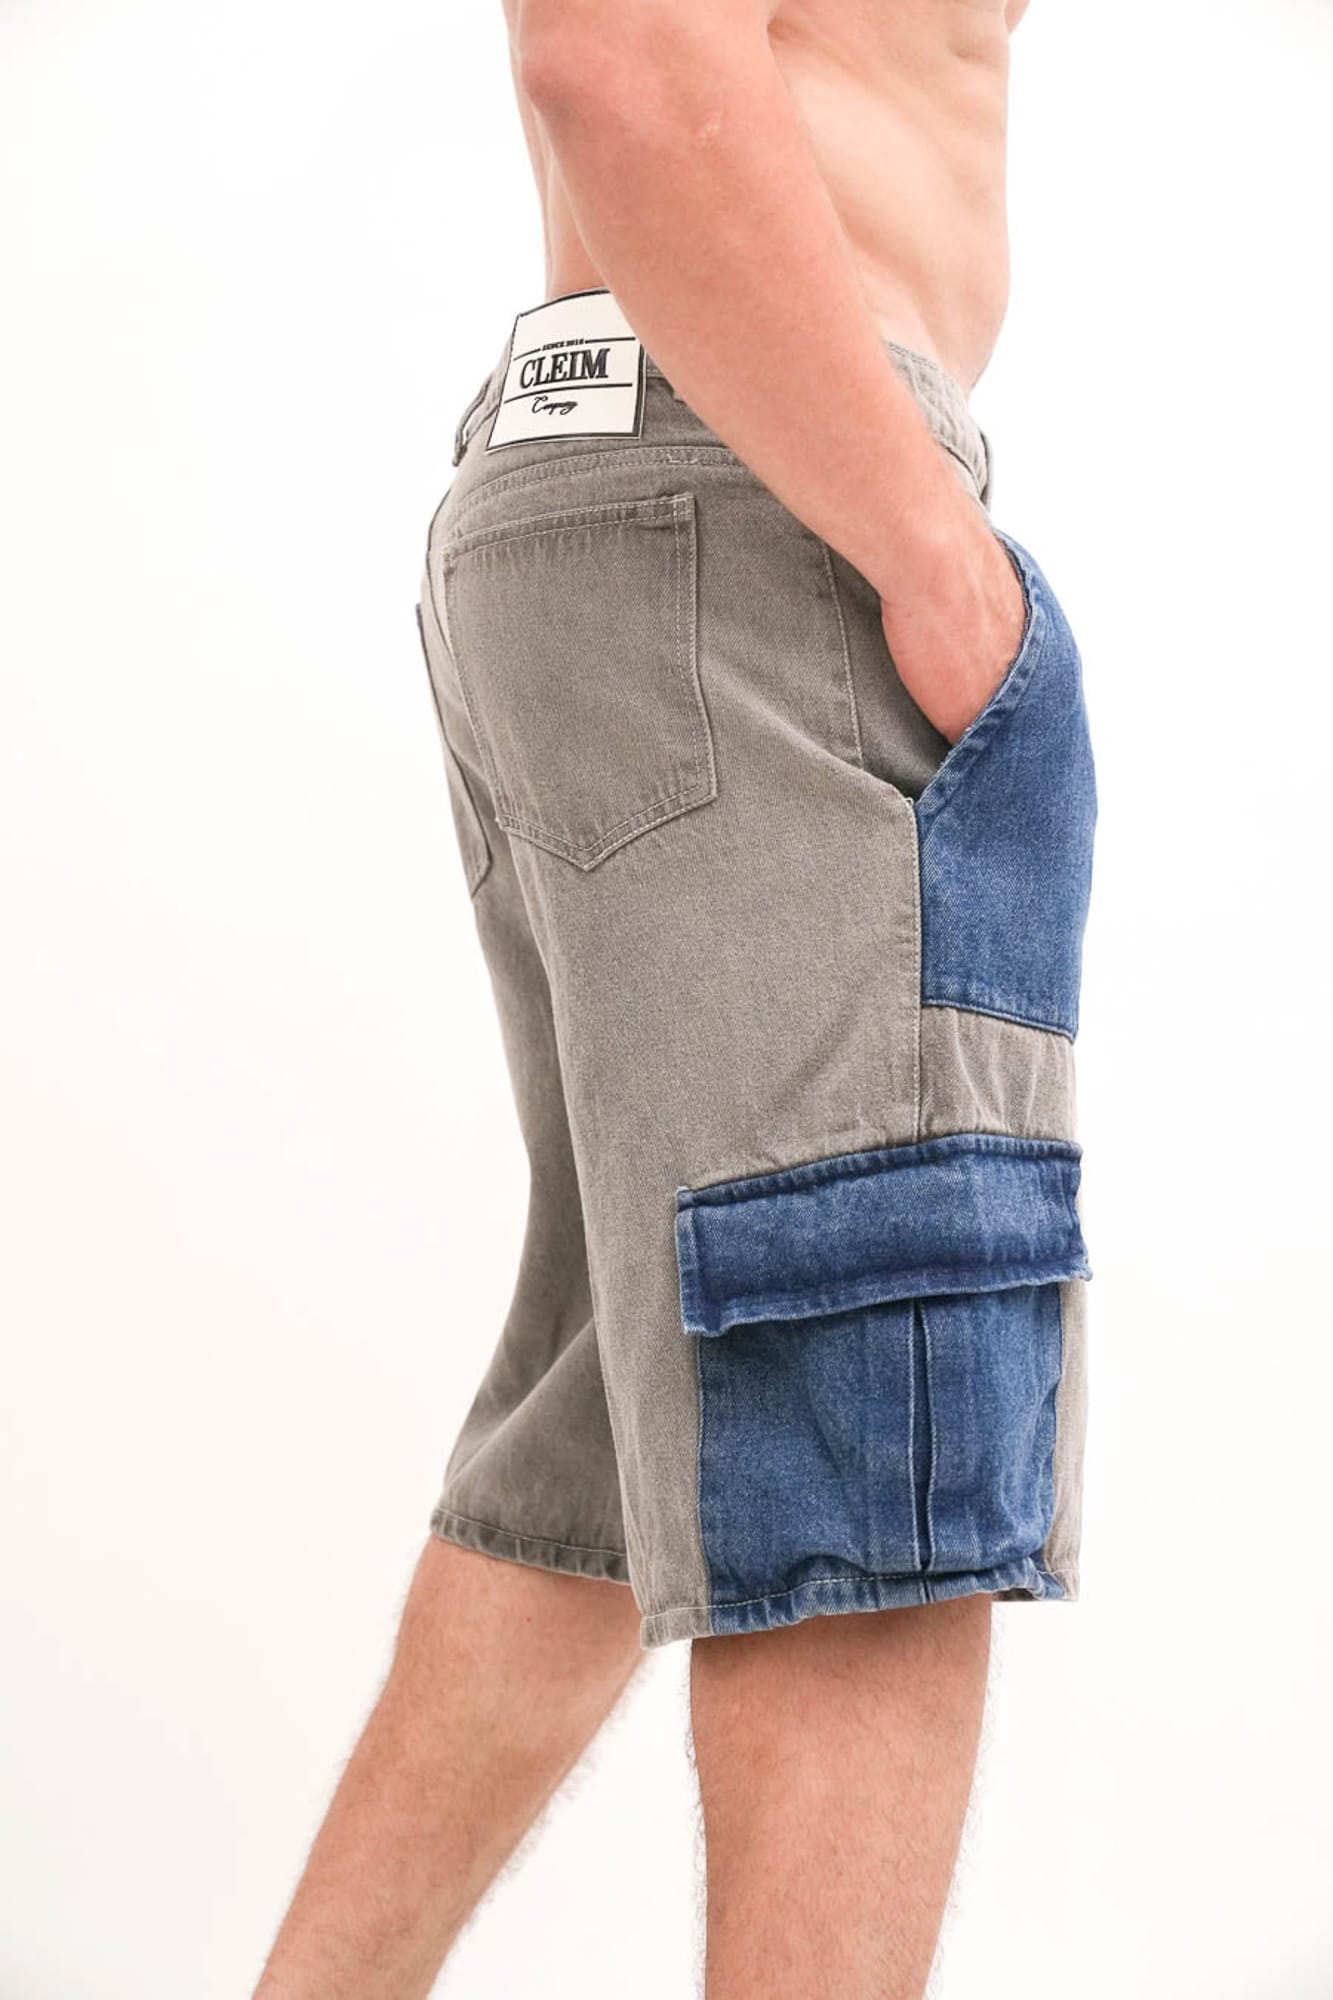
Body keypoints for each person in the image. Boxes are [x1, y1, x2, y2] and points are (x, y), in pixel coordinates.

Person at [253, 0, 1097, 1993]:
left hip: (644, 481)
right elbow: (618, 49)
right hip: (772, 500)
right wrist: (931, 554)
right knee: (867, 1438)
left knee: (616, 1428)